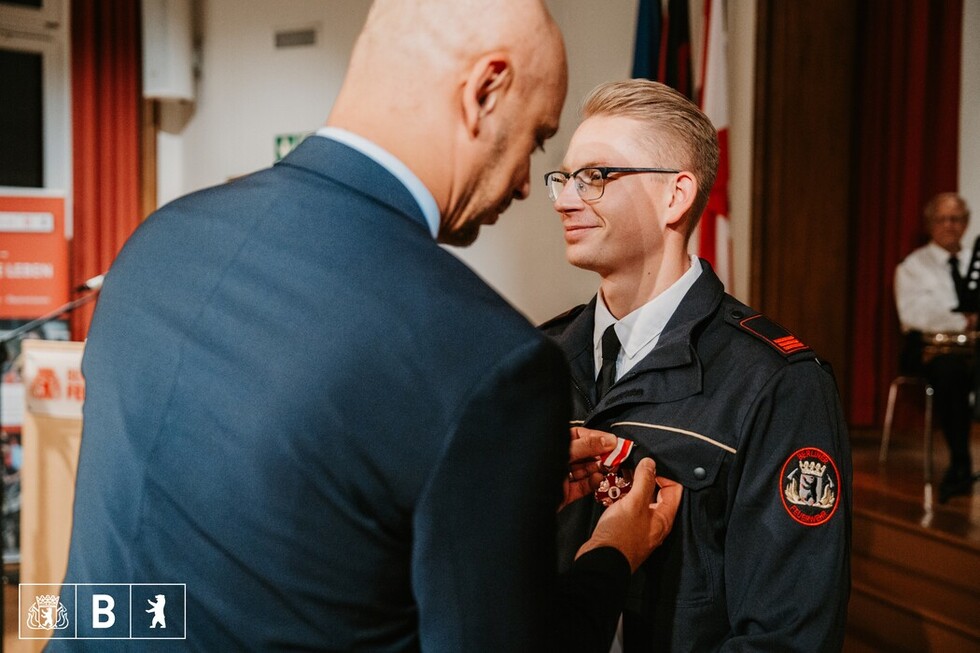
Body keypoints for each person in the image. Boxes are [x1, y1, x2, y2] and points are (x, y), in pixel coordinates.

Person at [52, 3, 681, 651]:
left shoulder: (158, 239)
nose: (526, 184)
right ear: (485, 90)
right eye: (537, 140)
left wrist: (486, 498)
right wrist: (611, 553)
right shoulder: (490, 362)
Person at [540, 80, 852, 652]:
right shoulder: (539, 360)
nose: (564, 198)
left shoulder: (776, 383)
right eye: (562, 178)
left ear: (676, 195)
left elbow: (785, 638)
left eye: (595, 177)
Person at [895, 192, 978, 502]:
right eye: (942, 219)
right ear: (931, 224)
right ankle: (960, 462)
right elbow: (915, 315)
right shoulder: (913, 266)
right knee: (950, 373)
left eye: (955, 219)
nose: (949, 225)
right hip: (934, 352)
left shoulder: (976, 260)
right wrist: (964, 321)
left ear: (966, 223)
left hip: (974, 350)